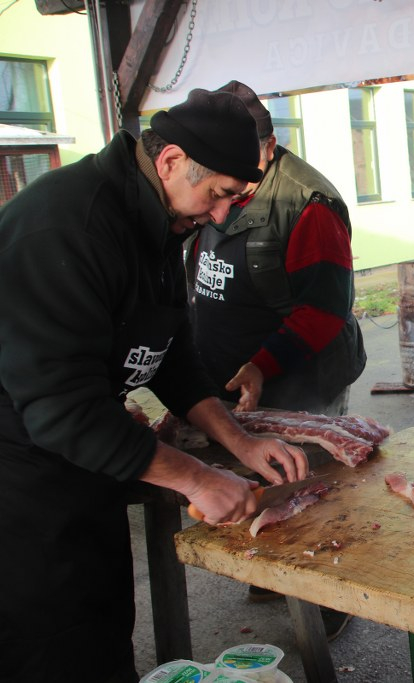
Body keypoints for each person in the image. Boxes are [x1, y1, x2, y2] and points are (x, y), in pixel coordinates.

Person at [0, 88, 308, 681]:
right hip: (19, 482)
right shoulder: (69, 228)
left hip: (82, 463)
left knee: (102, 622)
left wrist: (238, 441)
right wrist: (197, 478)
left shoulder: (160, 218)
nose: (221, 217)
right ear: (169, 161)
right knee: (49, 644)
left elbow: (170, 354)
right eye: (219, 194)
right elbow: (64, 409)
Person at [184, 80, 366, 637]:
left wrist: (263, 365)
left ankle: (329, 596)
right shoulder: (213, 184)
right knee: (255, 482)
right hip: (232, 373)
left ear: (268, 144)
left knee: (310, 487)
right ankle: (272, 571)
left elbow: (324, 309)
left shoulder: (307, 203)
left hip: (300, 370)